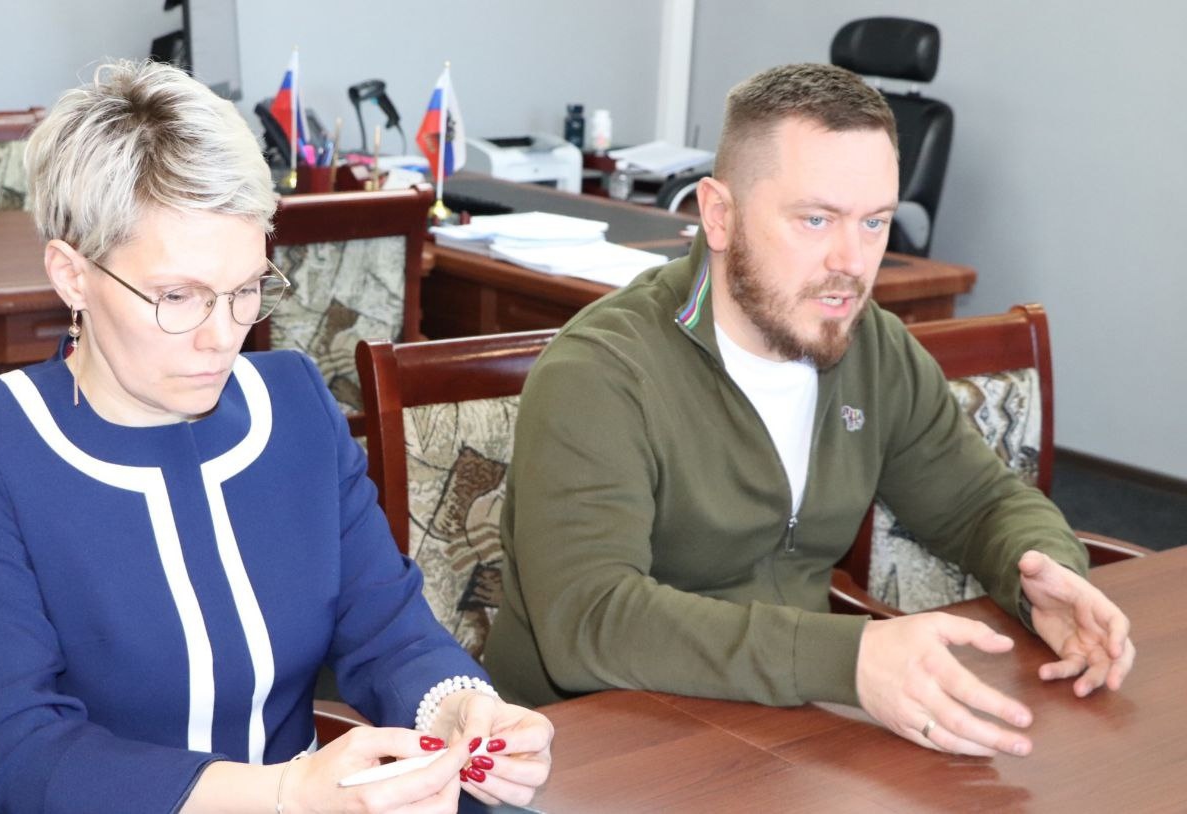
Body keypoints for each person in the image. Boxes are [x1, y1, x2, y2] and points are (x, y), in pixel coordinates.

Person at [0, 60, 551, 814]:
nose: (222, 337)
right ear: (72, 275)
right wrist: (283, 792)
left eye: (246, 289)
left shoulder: (293, 400)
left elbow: (387, 629)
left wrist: (456, 707)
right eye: (177, 295)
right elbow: (16, 750)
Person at [483, 63, 1134, 759]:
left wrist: (1044, 571)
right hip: (586, 752)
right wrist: (846, 658)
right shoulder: (602, 370)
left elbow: (980, 503)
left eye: (874, 222)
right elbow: (589, 619)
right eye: (816, 219)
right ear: (720, 215)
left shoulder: (873, 347)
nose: (851, 261)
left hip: (782, 733)